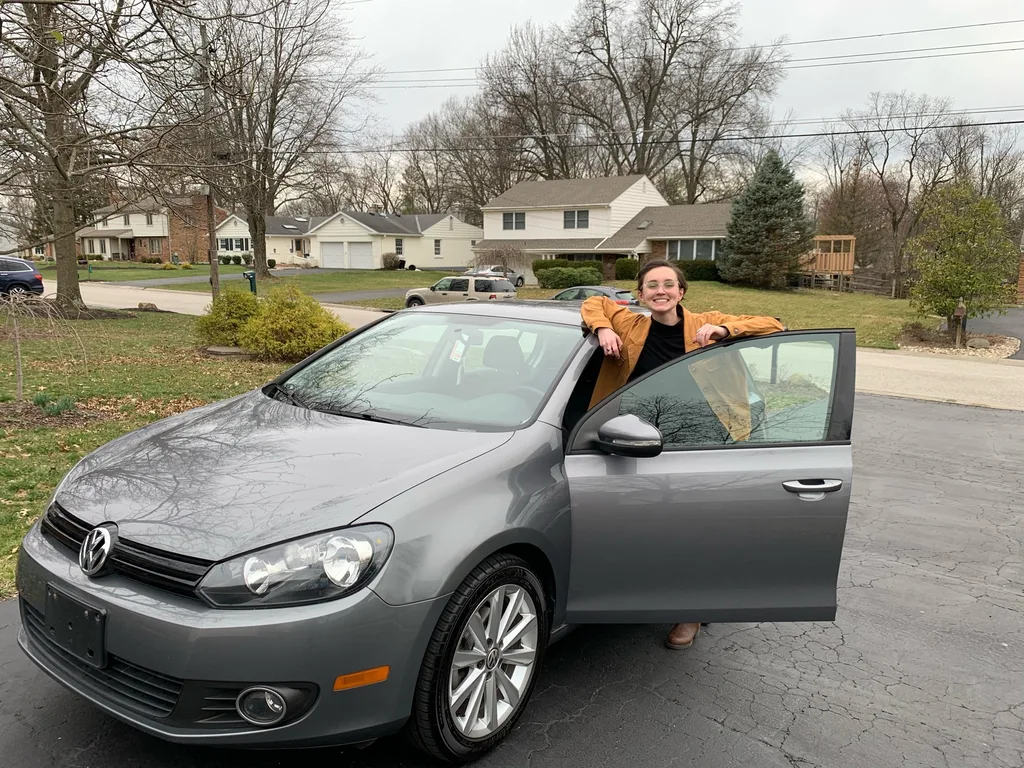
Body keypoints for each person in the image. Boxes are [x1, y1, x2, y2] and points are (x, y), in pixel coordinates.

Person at [580, 258, 784, 651]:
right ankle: (642, 593)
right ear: (640, 295)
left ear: (681, 292)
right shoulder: (630, 324)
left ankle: (691, 610)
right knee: (645, 525)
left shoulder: (705, 322)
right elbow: (593, 302)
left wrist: (726, 329)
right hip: (639, 437)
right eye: (651, 285)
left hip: (699, 438)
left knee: (696, 528)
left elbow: (773, 324)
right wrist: (603, 327)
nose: (660, 291)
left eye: (668, 284)